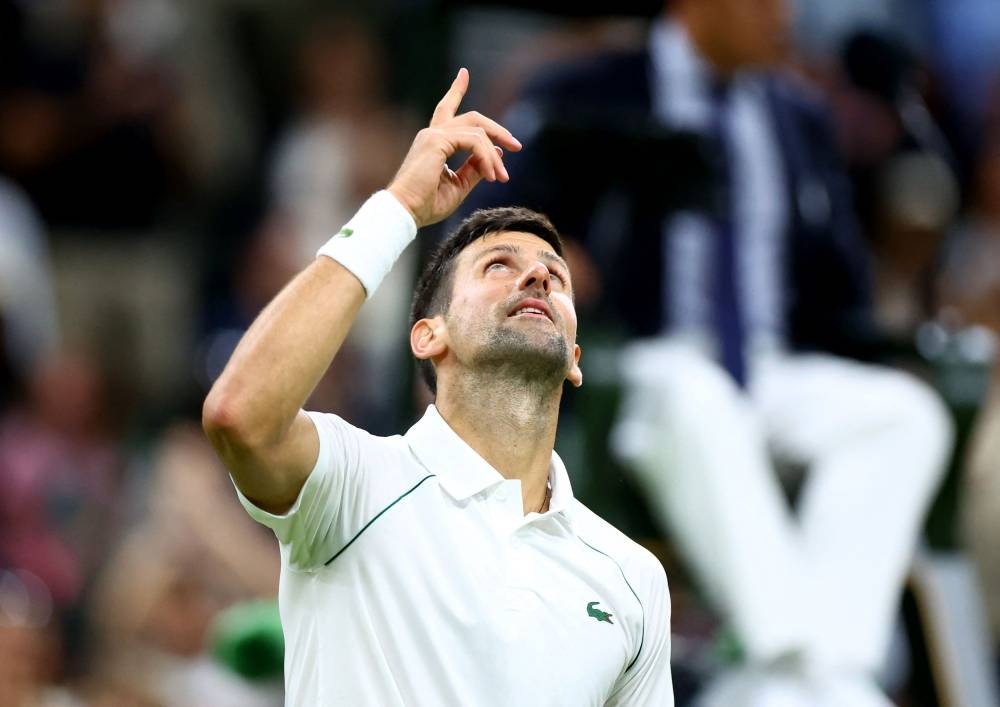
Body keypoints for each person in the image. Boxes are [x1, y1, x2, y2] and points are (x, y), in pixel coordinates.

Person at [462, 1, 953, 705]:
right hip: (644, 357)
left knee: (905, 414)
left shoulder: (798, 115)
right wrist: (550, 253)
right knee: (694, 391)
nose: (783, 16)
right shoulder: (591, 89)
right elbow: (493, 222)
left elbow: (837, 288)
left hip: (769, 364)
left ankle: (807, 674)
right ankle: (809, 668)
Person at [202, 68, 674, 706]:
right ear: (428, 336)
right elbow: (239, 413)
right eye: (498, 265)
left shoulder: (632, 578)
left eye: (554, 276)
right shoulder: (354, 480)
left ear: (574, 357)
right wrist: (399, 206)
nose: (535, 279)